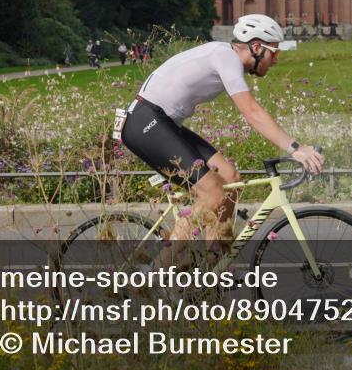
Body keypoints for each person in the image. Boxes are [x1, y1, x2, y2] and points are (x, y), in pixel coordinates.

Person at [120, 14, 324, 252]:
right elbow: (251, 111)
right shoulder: (226, 57)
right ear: (257, 47)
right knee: (212, 195)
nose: (275, 60)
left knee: (230, 177)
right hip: (146, 122)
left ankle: (214, 263)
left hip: (163, 121)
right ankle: (158, 273)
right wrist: (296, 149)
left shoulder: (224, 56)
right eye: (274, 53)